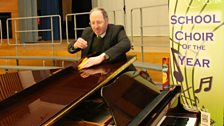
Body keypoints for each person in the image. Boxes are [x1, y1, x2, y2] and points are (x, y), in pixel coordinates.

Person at [68, 7, 135, 71]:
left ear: (106, 21)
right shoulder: (87, 31)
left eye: (99, 22)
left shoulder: (116, 30)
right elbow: (70, 49)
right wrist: (75, 45)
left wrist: (102, 57)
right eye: (93, 23)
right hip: (91, 73)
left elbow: (126, 44)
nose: (96, 27)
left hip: (114, 71)